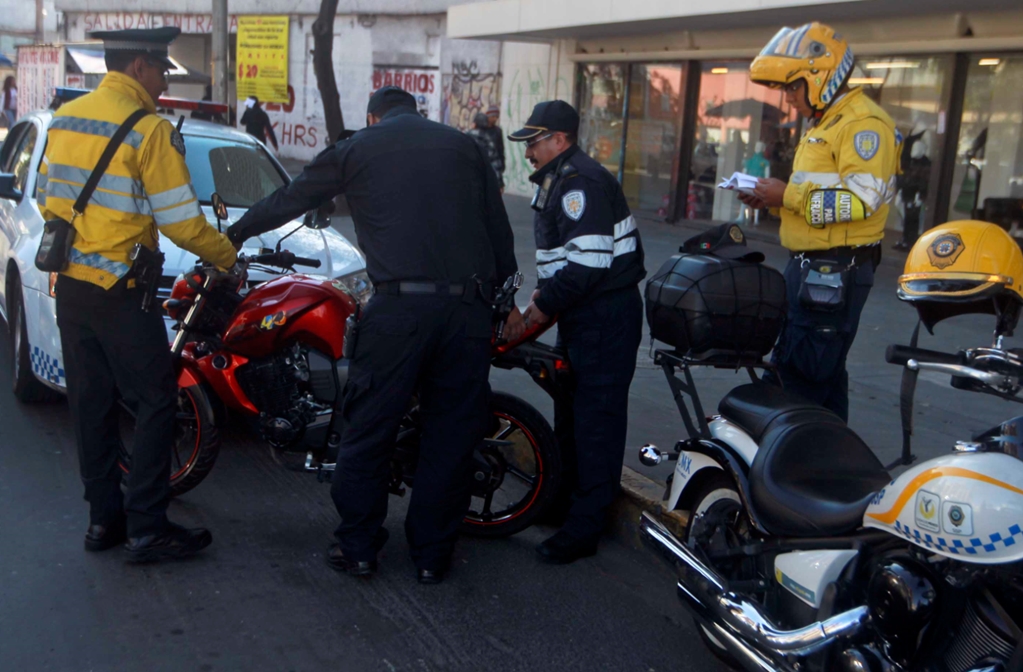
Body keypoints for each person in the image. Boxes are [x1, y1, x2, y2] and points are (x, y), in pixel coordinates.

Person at [226, 86, 523, 585]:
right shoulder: (464, 146)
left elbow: (292, 197)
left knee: (369, 430)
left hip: (399, 310)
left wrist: (236, 231)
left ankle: (358, 548)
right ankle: (431, 556)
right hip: (466, 311)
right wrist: (501, 300)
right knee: (450, 435)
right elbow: (500, 233)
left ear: (372, 115)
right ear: (417, 112)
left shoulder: (359, 146)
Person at [37, 27, 238, 561]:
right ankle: (148, 524)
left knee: (92, 405)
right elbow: (181, 223)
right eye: (160, 72)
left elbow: (48, 200)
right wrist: (227, 257)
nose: (160, 84)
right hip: (123, 295)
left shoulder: (65, 118)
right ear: (141, 67)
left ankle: (103, 522)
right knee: (156, 400)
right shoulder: (147, 131)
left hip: (73, 289)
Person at [739, 22, 900, 422]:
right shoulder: (829, 121)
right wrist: (772, 200)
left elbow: (863, 200)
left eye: (792, 87)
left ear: (820, 77)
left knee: (801, 375)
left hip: (835, 269)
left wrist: (786, 195)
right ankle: (833, 471)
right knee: (823, 378)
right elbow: (823, 197)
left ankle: (793, 470)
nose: (789, 98)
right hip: (817, 267)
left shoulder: (863, 124)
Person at [509, 100, 646, 564]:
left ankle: (585, 528)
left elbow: (588, 264)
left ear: (560, 140)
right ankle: (567, 507)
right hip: (584, 313)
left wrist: (537, 310)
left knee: (595, 425)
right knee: (571, 417)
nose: (528, 151)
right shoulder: (561, 178)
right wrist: (544, 306)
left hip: (604, 316)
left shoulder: (578, 182)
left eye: (534, 141)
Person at [467, 112, 503, 190]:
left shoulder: (465, 137)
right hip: (483, 180)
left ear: (475, 123)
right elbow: (495, 163)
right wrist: (500, 184)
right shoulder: (488, 140)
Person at [483, 104, 505, 186]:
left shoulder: (497, 131)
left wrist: (502, 164)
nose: (495, 119)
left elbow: (501, 148)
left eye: (497, 117)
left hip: (494, 163)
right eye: (493, 116)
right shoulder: (481, 129)